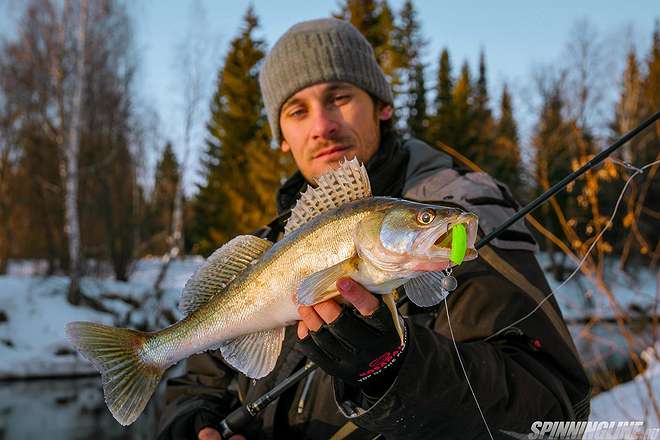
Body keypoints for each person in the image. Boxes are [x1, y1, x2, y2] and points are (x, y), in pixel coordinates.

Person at [157, 18, 590, 440]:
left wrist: (398, 370)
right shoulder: (273, 240)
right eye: (297, 110)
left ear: (383, 106)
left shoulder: (464, 212)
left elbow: (555, 416)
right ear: (282, 138)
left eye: (339, 97)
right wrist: (191, 420)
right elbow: (203, 378)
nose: (322, 126)